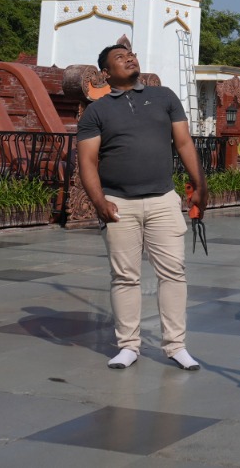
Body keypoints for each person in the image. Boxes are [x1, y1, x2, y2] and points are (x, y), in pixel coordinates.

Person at [76, 44, 207, 372]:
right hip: (119, 203)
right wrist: (99, 201)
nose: (129, 59)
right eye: (119, 58)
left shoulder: (164, 97)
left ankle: (176, 346)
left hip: (163, 199)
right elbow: (88, 161)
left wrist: (200, 185)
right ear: (106, 73)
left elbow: (184, 143)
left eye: (130, 55)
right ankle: (128, 346)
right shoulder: (96, 112)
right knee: (124, 277)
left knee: (173, 272)